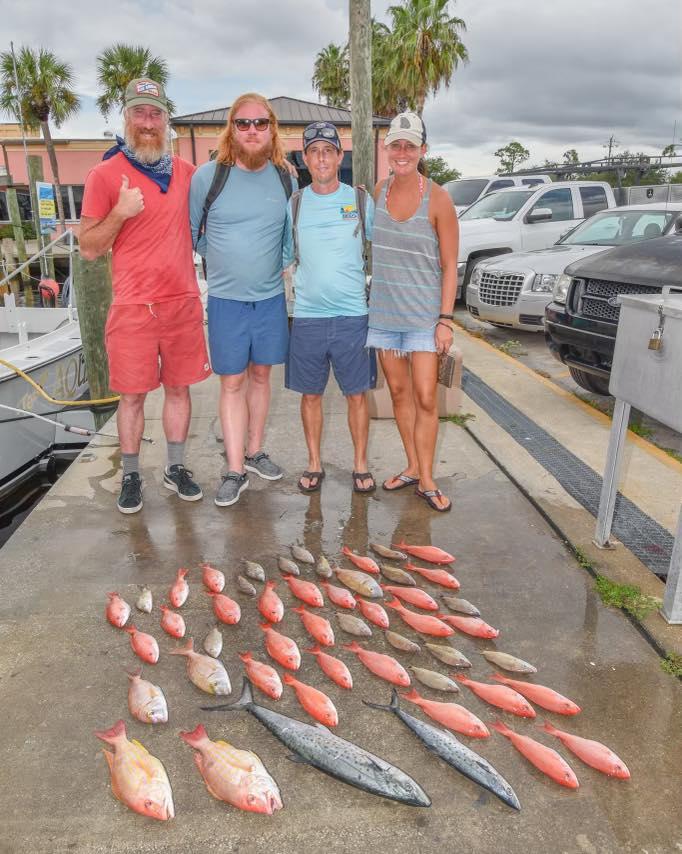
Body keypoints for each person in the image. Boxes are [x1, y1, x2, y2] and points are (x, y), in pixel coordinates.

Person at [79, 78, 210, 514]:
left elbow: (226, 188)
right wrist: (120, 211)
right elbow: (89, 247)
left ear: (166, 121)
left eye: (155, 114)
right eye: (140, 113)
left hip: (182, 303)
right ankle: (131, 475)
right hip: (133, 307)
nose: (148, 122)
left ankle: (175, 468)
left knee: (179, 390)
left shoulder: (186, 173)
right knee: (132, 397)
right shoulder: (104, 174)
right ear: (127, 118)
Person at [190, 93, 294, 507]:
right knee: (232, 382)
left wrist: (276, 264)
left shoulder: (286, 176)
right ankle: (234, 468)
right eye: (243, 123)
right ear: (231, 128)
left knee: (262, 378)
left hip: (270, 300)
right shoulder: (208, 177)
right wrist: (224, 260)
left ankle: (254, 452)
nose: (252, 131)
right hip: (226, 302)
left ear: (272, 128)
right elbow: (192, 232)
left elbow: (290, 236)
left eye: (260, 123)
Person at [367, 112, 458, 512]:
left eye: (410, 145)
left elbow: (450, 265)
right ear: (386, 150)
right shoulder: (377, 192)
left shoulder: (438, 198)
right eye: (395, 145)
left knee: (425, 397)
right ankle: (410, 466)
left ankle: (426, 478)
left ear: (423, 150)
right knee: (399, 393)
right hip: (385, 317)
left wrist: (445, 320)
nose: (402, 152)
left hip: (424, 318)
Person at [283, 121, 375, 494]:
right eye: (314, 151)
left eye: (328, 150)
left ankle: (360, 465)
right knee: (311, 395)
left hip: (353, 315)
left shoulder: (360, 201)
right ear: (305, 158)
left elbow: (385, 249)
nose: (321, 158)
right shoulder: (295, 204)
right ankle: (314, 463)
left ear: (340, 156)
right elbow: (285, 256)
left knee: (356, 394)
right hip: (307, 316)